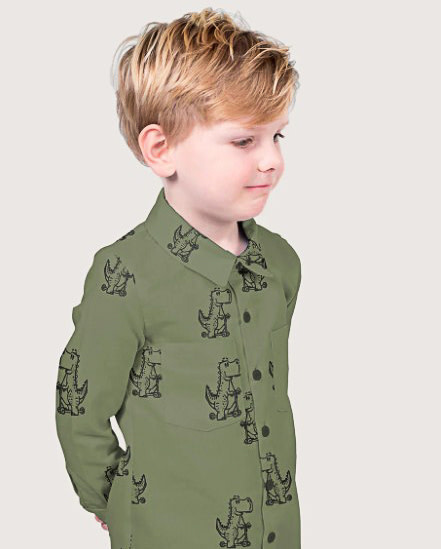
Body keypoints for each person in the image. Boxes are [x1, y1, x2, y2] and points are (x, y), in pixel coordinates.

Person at [55, 7, 302, 549]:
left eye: (278, 136)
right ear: (161, 149)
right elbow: (80, 409)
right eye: (244, 141)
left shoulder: (279, 264)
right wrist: (119, 504)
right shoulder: (124, 274)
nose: (272, 161)